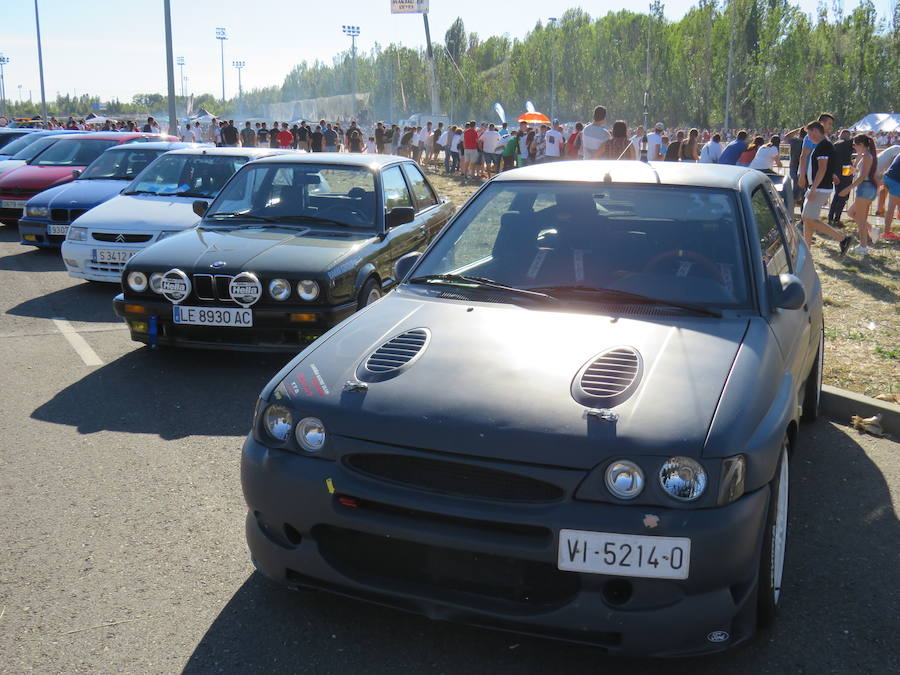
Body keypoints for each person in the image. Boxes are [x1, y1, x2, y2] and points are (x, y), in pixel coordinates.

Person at [801, 121, 852, 254]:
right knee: (807, 219)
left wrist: (813, 188)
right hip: (818, 187)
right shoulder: (824, 145)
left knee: (808, 219)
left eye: (810, 134)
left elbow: (822, 168)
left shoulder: (824, 146)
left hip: (819, 188)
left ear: (816, 131)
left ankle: (842, 238)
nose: (809, 137)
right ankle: (807, 250)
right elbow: (826, 167)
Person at [840, 134, 879, 256]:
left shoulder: (867, 156)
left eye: (855, 145)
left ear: (861, 145)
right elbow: (860, 171)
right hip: (867, 188)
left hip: (864, 188)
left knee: (861, 221)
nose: (854, 147)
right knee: (851, 213)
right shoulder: (866, 155)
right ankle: (872, 230)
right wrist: (856, 164)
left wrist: (848, 188)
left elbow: (862, 177)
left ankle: (863, 246)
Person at [797, 112, 835, 191]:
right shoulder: (810, 137)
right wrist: (802, 176)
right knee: (807, 200)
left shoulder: (825, 138)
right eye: (829, 124)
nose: (831, 127)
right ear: (822, 123)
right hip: (808, 174)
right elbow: (804, 156)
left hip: (817, 175)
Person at [827, 129, 854, 227]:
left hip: (837, 172)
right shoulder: (847, 144)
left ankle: (830, 218)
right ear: (848, 136)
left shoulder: (835, 144)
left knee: (836, 196)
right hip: (845, 171)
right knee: (843, 197)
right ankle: (836, 219)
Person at [879, 151, 900, 241]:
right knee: (891, 208)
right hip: (895, 181)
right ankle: (887, 233)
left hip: (888, 177)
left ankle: (887, 232)